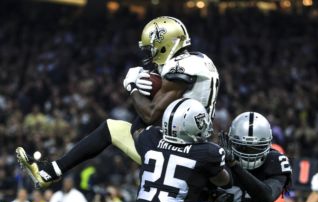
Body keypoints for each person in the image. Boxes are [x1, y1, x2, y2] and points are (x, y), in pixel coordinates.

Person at [16, 16, 220, 189]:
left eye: (152, 48)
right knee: (111, 128)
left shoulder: (182, 67)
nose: (149, 53)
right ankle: (49, 172)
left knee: (137, 128)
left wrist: (133, 88)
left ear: (165, 43)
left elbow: (150, 114)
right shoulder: (199, 60)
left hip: (179, 149)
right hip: (192, 142)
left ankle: (49, 173)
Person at [120, 98, 230, 202]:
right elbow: (225, 181)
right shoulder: (205, 153)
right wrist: (231, 162)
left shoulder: (151, 138)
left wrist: (140, 92)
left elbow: (136, 130)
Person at [214, 112, 294, 202]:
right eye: (244, 148)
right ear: (232, 142)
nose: (249, 154)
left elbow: (266, 196)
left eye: (256, 148)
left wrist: (234, 165)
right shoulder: (217, 161)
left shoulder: (275, 161)